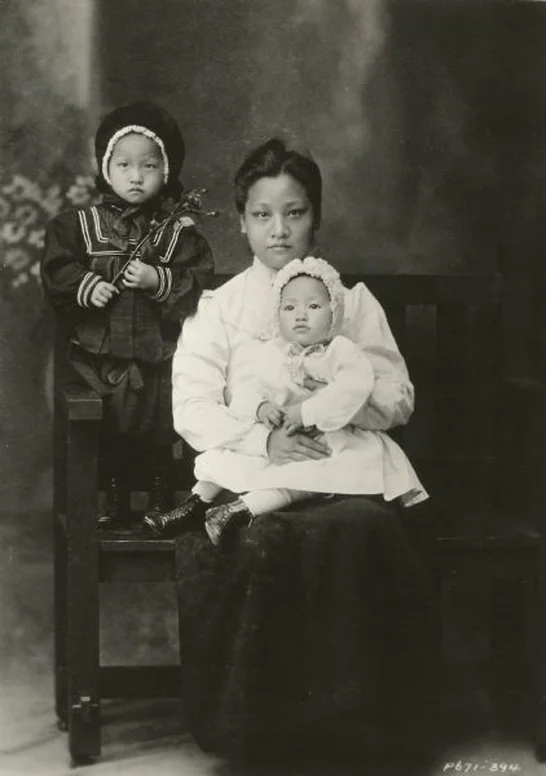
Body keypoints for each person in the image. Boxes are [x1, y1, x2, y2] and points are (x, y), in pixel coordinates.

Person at [162, 138, 441, 768]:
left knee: (361, 530)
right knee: (259, 540)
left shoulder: (348, 301)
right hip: (254, 468)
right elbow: (193, 408)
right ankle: (261, 738)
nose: (279, 230)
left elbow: (398, 399)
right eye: (262, 215)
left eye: (294, 213)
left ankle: (354, 732)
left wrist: (337, 397)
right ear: (241, 222)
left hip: (343, 468)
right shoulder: (220, 309)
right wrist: (266, 437)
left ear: (315, 218)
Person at [145, 255, 428, 547]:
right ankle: (196, 504)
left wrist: (307, 411)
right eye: (290, 308)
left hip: (330, 438)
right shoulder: (278, 352)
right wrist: (260, 408)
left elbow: (354, 388)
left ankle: (239, 510)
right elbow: (254, 387)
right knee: (229, 459)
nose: (301, 316)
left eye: (314, 307)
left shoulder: (340, 352)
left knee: (302, 480)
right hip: (279, 435)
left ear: (334, 313)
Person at [41, 102, 214, 532]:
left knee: (160, 429)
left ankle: (158, 493)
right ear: (107, 169)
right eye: (124, 165)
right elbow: (58, 269)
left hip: (158, 359)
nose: (136, 176)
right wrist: (87, 285)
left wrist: (158, 279)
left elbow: (197, 283)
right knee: (109, 430)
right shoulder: (80, 226)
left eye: (149, 166)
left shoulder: (177, 232)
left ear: (166, 171)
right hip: (102, 359)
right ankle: (113, 495)